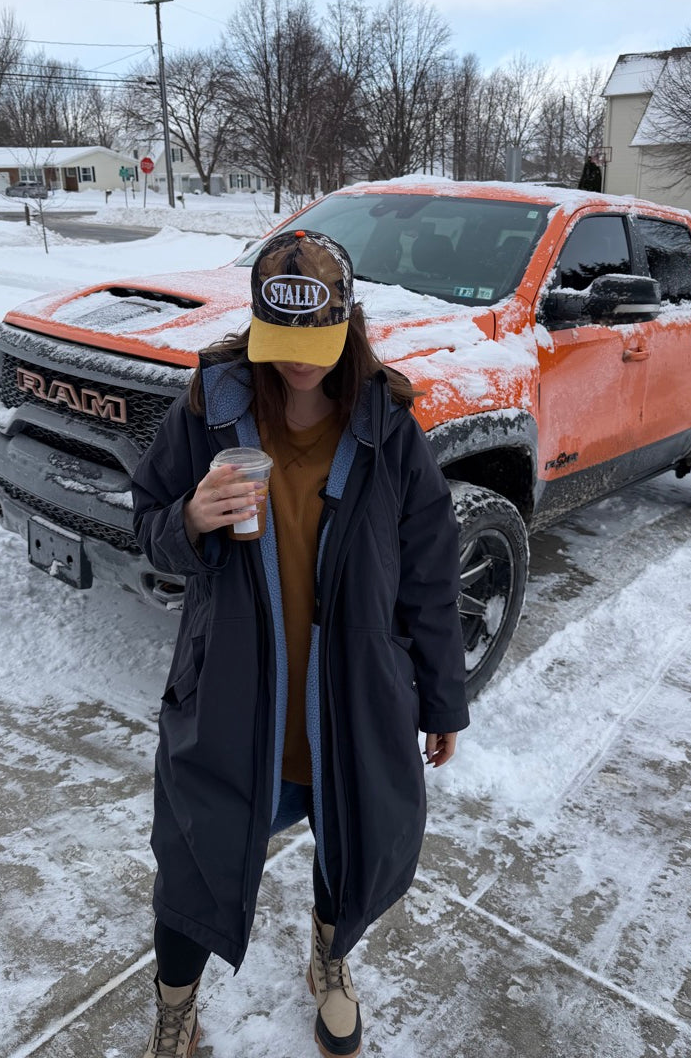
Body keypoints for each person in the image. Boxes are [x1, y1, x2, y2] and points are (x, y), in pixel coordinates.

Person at [132, 229, 469, 1057]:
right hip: (231, 694)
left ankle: (331, 958)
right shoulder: (210, 409)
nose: (298, 366)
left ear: (349, 327)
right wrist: (186, 522)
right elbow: (144, 519)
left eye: (316, 346)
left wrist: (442, 696)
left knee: (348, 841)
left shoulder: (389, 430)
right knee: (191, 862)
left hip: (353, 697)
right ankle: (176, 1008)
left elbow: (429, 575)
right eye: (280, 347)